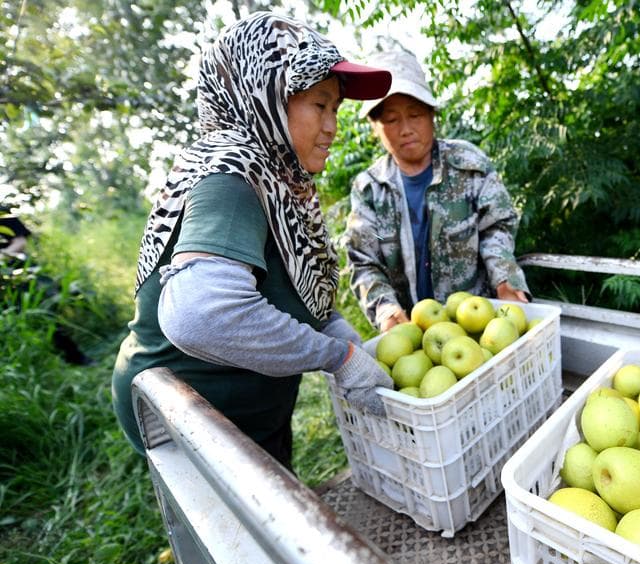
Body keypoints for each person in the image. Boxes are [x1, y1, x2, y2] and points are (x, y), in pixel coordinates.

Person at [110, 12, 394, 471]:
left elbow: (287, 290)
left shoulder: (280, 181)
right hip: (198, 428)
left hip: (245, 416)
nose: (331, 127)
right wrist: (336, 357)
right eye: (318, 105)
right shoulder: (231, 177)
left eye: (335, 110)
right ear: (264, 96)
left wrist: (341, 337)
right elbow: (200, 315)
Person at [342, 48, 531, 333]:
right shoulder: (369, 189)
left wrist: (505, 279)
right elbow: (364, 262)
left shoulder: (468, 166)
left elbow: (496, 228)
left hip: (478, 326)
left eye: (415, 114)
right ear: (375, 128)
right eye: (391, 120)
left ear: (432, 115)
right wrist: (385, 308)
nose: (406, 129)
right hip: (413, 335)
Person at [1, 213, 93, 365]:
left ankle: (75, 357)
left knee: (47, 316)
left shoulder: (4, 214)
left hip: (23, 276)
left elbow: (20, 242)